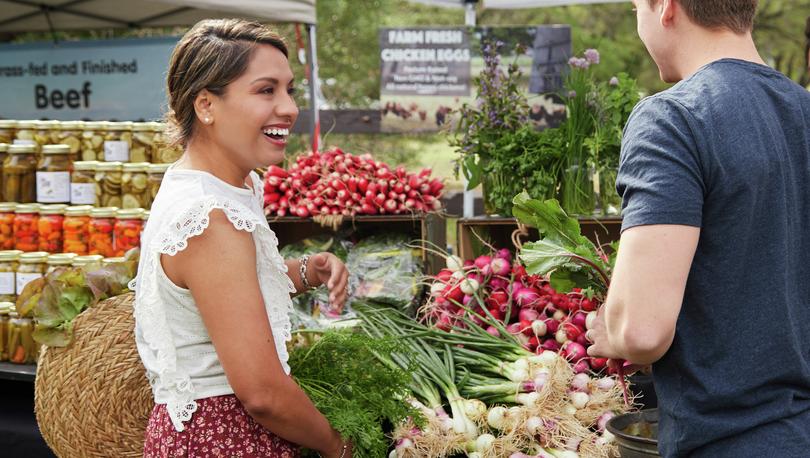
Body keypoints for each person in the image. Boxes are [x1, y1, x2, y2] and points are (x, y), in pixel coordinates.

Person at [586, 1, 810, 457]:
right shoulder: (804, 111)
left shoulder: (672, 119)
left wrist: (612, 329)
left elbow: (642, 332)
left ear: (666, 7)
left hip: (730, 442)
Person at [134, 19, 352, 457]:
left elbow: (224, 286)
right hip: (223, 438)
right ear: (206, 105)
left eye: (289, 90)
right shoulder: (210, 218)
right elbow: (263, 394)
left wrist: (305, 270)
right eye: (266, 90)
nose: (289, 108)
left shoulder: (220, 184)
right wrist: (338, 447)